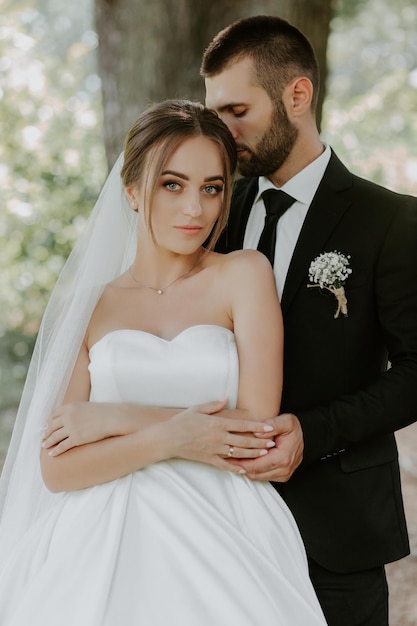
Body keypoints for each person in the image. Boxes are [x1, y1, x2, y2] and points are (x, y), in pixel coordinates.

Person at [0, 100, 327, 625]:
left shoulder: (243, 274)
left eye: (211, 188)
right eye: (172, 184)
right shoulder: (85, 306)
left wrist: (118, 417)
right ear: (132, 191)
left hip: (225, 527)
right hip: (101, 531)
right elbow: (57, 468)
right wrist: (171, 438)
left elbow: (258, 427)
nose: (194, 210)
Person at [200, 15, 417, 626]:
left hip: (339, 527)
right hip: (216, 520)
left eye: (237, 111)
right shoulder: (212, 216)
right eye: (215, 113)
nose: (223, 132)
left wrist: (314, 433)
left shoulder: (391, 222)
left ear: (298, 95)